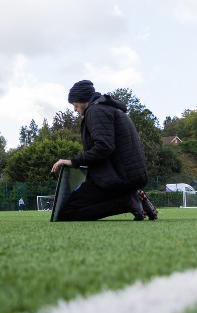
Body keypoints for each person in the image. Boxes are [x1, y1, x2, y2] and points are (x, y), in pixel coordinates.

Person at [50, 80, 156, 221]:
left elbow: (103, 147)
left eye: (74, 104)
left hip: (115, 178)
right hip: (126, 176)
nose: (74, 109)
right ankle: (136, 199)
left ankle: (128, 201)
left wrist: (73, 161)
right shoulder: (109, 109)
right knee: (86, 202)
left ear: (82, 99)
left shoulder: (95, 111)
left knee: (66, 213)